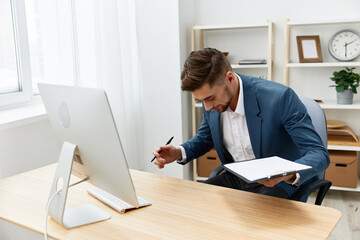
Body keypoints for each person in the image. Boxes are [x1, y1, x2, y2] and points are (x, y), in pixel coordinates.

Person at [152, 48, 329, 199]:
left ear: (229, 78)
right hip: (237, 176)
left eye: (210, 98)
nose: (207, 106)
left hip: (278, 182)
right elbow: (205, 139)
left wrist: (287, 174)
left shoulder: (280, 98)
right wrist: (178, 152)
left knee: (250, 225)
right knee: (197, 207)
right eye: (201, 101)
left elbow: (318, 153)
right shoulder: (212, 102)